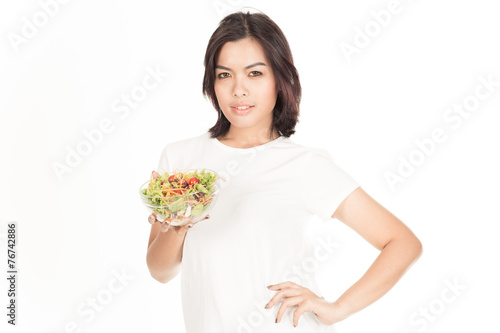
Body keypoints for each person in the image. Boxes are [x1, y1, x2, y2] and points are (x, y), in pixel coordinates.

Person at [146, 10, 422, 332]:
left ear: (280, 78)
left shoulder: (304, 165)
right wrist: (176, 227)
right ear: (212, 81)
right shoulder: (181, 159)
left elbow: (402, 243)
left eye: (255, 73)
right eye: (225, 75)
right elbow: (160, 271)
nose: (238, 89)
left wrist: (337, 309)